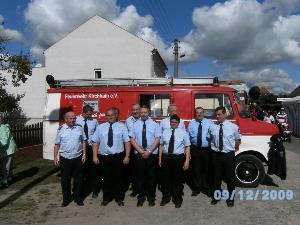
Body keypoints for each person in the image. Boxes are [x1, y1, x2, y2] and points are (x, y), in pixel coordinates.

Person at [92, 108, 131, 206]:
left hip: (118, 157)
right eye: (108, 115)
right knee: (106, 179)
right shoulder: (100, 127)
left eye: (112, 115)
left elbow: (127, 142)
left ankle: (119, 198)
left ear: (116, 115)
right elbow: (95, 142)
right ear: (106, 116)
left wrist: (127, 156)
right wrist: (95, 156)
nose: (110, 117)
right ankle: (106, 198)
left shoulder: (122, 127)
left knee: (119, 178)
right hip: (104, 157)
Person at [208, 106, 241, 207]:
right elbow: (210, 140)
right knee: (216, 177)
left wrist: (233, 149)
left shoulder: (233, 127)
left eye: (219, 114)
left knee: (230, 178)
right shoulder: (212, 127)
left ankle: (230, 198)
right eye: (216, 115)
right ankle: (216, 196)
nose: (217, 116)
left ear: (225, 114)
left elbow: (238, 140)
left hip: (228, 155)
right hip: (216, 155)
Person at [130, 105, 161, 207]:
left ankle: (151, 197)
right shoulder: (134, 125)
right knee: (140, 177)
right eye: (141, 112)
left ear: (149, 113)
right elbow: (132, 139)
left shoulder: (155, 124)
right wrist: (140, 151)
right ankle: (141, 197)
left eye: (145, 112)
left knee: (152, 177)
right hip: (139, 154)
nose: (143, 114)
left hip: (151, 154)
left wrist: (149, 151)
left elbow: (157, 139)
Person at [54, 111, 87, 207]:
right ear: (66, 119)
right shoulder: (61, 129)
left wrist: (84, 154)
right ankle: (66, 199)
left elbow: (83, 141)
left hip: (78, 158)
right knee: (65, 180)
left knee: (79, 180)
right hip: (65, 158)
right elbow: (57, 144)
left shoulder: (79, 128)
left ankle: (78, 198)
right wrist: (55, 157)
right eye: (71, 118)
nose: (73, 120)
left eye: (74, 118)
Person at [159, 114, 190, 208]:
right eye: (172, 122)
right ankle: (166, 198)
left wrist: (187, 161)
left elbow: (187, 146)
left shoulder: (183, 133)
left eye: (175, 122)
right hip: (166, 157)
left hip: (178, 158)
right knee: (165, 179)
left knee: (178, 180)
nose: (173, 123)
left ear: (178, 123)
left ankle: (177, 199)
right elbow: (161, 145)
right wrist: (160, 158)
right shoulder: (165, 132)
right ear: (170, 122)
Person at [188, 107, 213, 197]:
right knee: (196, 169)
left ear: (203, 113)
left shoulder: (209, 122)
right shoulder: (191, 123)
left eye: (201, 112)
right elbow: (188, 137)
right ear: (195, 114)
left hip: (206, 149)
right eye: (197, 112)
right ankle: (197, 188)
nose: (199, 114)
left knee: (207, 169)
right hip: (195, 149)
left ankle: (206, 188)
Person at [76, 105, 99, 198]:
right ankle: (81, 190)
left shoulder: (94, 121)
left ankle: (94, 190)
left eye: (91, 114)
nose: (90, 116)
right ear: (84, 112)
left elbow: (97, 133)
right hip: (80, 148)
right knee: (81, 170)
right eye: (88, 114)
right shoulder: (77, 120)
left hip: (91, 147)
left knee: (93, 170)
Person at [125, 104, 141, 197]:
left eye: (137, 109)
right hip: (132, 147)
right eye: (133, 110)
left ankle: (142, 187)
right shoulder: (128, 121)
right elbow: (127, 134)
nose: (135, 111)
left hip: (142, 147)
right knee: (134, 169)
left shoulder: (144, 119)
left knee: (142, 169)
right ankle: (135, 189)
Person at [0, 116, 17, 188]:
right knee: (8, 166)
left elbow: (4, 142)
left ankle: (5, 181)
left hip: (8, 150)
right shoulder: (3, 127)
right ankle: (9, 178)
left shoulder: (3, 128)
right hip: (9, 149)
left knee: (5, 166)